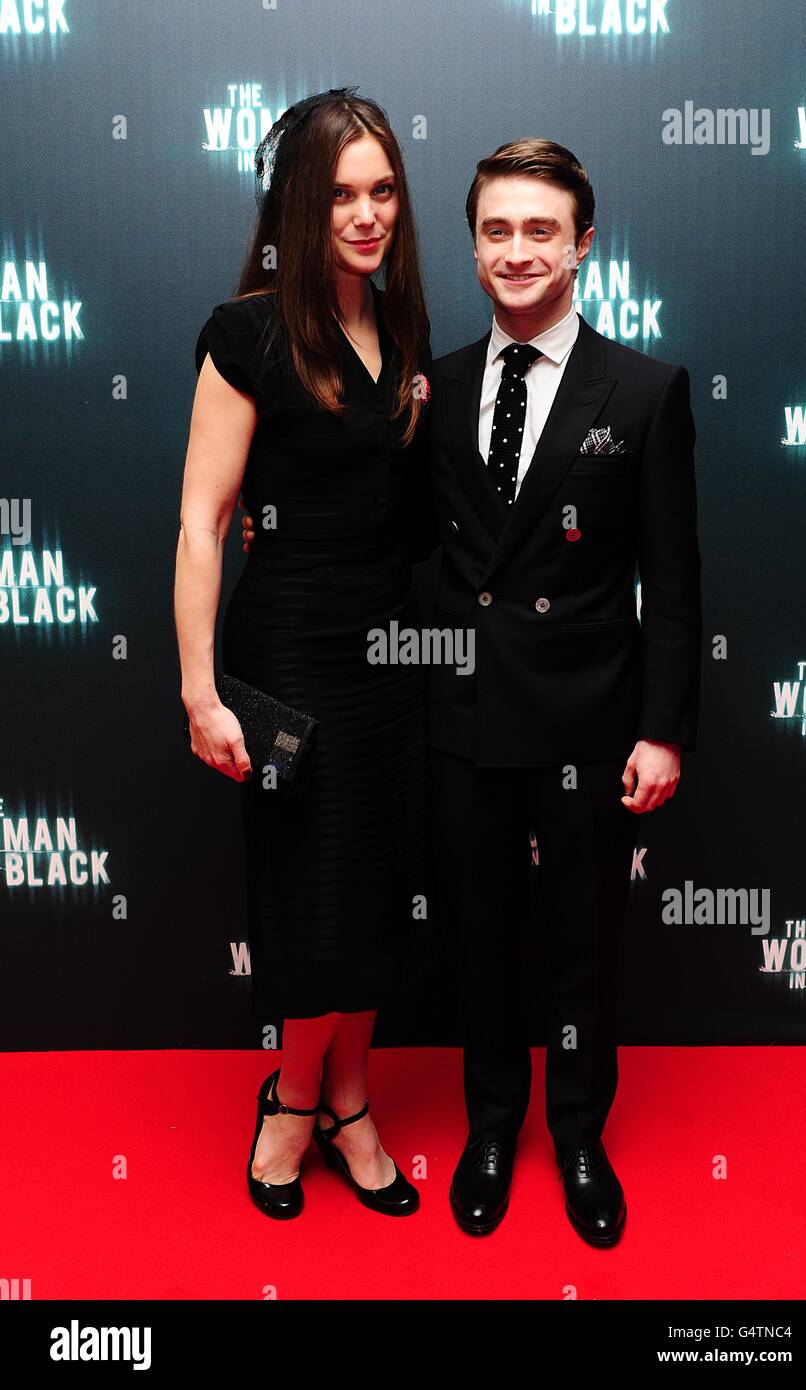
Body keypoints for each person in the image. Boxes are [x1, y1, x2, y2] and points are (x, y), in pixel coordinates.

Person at [427, 139, 702, 1245]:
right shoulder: (435, 387)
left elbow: (673, 583)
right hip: (461, 721)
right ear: (473, 243)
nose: (516, 250)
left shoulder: (642, 391)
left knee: (582, 942)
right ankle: (491, 1126)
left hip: (590, 721)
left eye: (540, 229)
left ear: (583, 244)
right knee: (479, 940)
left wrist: (663, 733)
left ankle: (578, 1134)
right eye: (496, 229)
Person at [174, 88, 434, 1221]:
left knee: (377, 891)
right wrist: (197, 689)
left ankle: (352, 1100)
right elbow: (201, 521)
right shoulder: (246, 333)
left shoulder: (407, 330)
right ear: (296, 201)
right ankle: (291, 1104)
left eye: (381, 191)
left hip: (392, 658)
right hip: (287, 659)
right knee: (313, 896)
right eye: (338, 193)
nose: (365, 213)